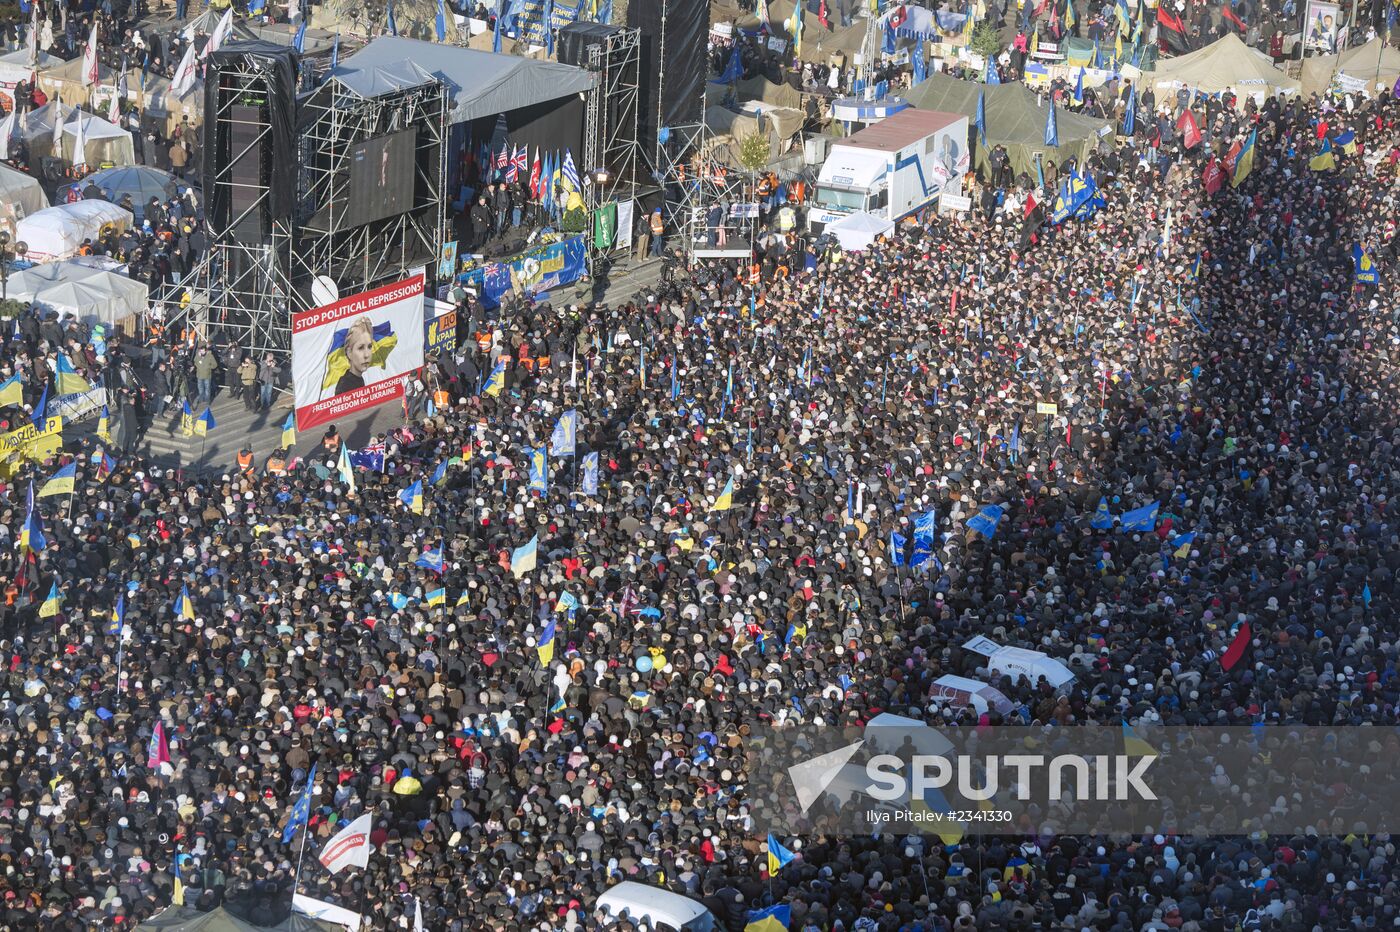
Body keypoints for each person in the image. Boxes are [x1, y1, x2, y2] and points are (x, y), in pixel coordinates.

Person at [332, 316, 376, 396]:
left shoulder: (357, 379)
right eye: (361, 348)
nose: (366, 355)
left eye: (369, 347)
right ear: (349, 352)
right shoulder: (345, 385)